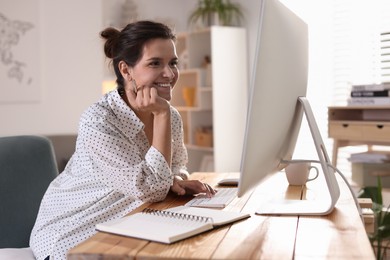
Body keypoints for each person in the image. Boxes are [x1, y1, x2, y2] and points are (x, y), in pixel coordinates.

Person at [30, 20, 216, 260]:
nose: (169, 74)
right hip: (75, 235)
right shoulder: (98, 121)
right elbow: (151, 188)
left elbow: (177, 166)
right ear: (126, 70)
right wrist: (161, 115)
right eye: (155, 63)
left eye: (173, 63)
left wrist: (176, 179)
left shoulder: (171, 116)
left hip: (129, 226)